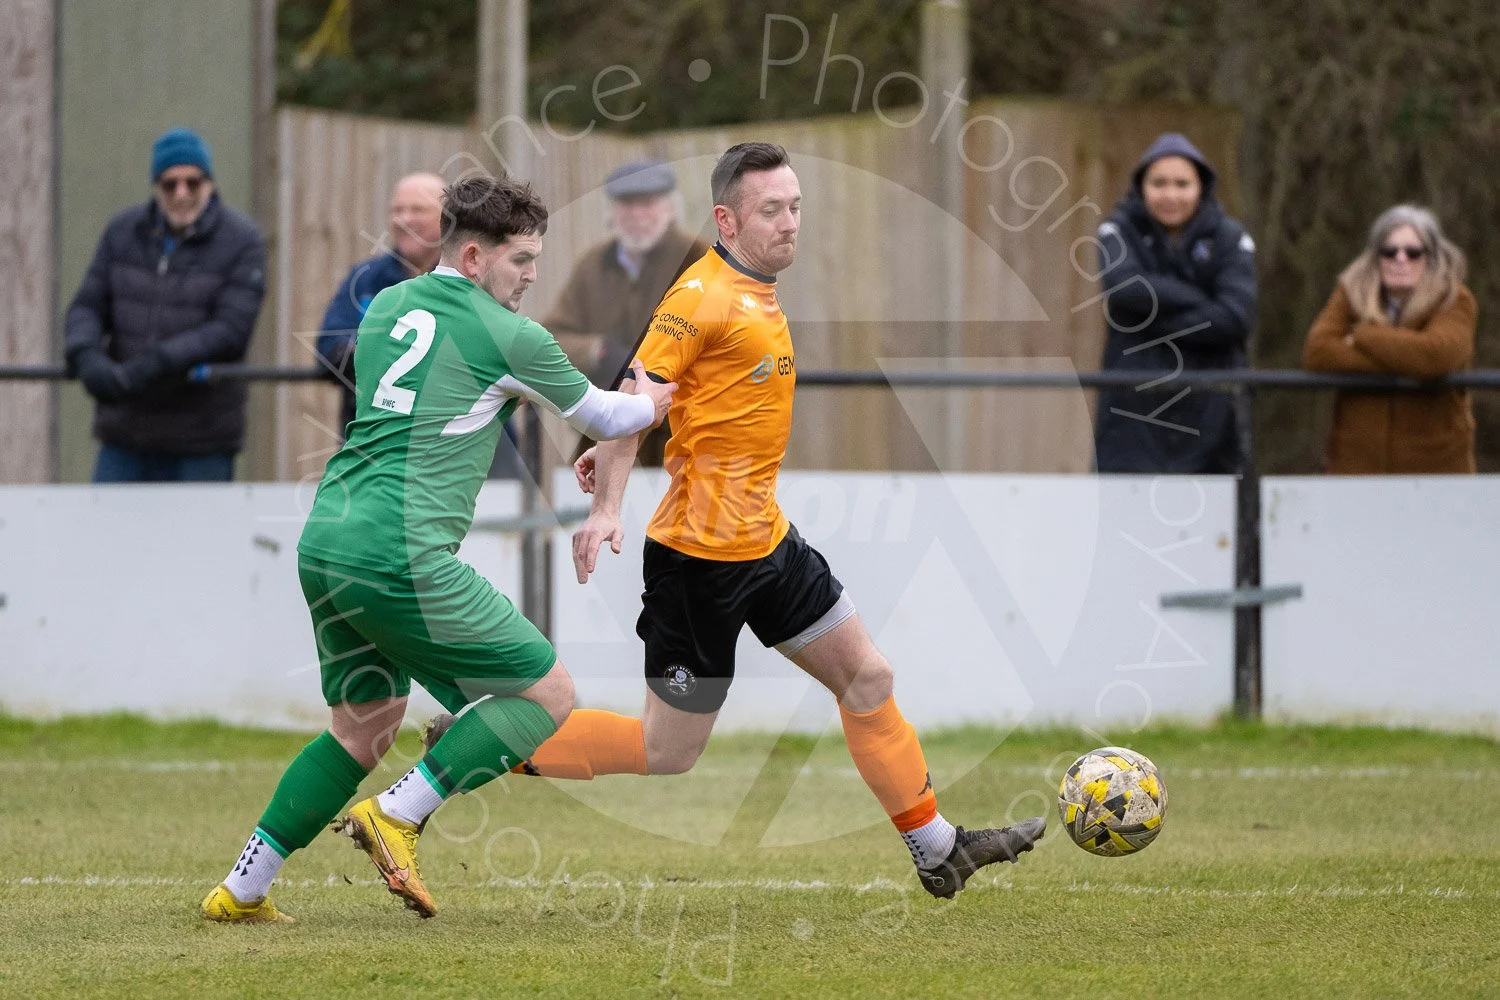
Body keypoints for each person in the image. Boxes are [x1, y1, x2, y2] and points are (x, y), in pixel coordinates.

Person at [429, 143, 1046, 900]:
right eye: (771, 211)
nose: (790, 224)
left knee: (868, 677)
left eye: (796, 207)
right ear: (727, 218)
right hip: (699, 562)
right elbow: (635, 396)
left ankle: (936, 848)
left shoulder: (758, 289)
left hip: (769, 542)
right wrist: (607, 507)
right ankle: (479, 747)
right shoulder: (699, 297)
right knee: (666, 751)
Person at [198, 175, 676, 924]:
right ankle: (398, 812)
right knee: (546, 694)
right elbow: (608, 412)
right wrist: (660, 396)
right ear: (477, 255)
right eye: (521, 260)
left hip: (328, 539)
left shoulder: (388, 304)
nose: (530, 276)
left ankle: (242, 889)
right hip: (402, 553)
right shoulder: (506, 333)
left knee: (363, 724)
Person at [64, 127, 267, 482]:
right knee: (107, 537)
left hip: (201, 440)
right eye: (169, 184)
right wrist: (84, 354)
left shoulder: (242, 240)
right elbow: (87, 306)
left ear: (210, 183)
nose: (181, 193)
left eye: (192, 182)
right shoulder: (122, 232)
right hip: (124, 434)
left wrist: (157, 363)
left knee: (197, 539)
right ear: (156, 186)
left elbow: (230, 330)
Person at [1093, 132, 1257, 474]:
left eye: (1182, 184)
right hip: (1131, 419)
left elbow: (1234, 318)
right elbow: (1125, 289)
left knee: (1215, 527)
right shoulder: (1118, 230)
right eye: (1159, 183)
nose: (1171, 195)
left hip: (1212, 419)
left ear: (1201, 188)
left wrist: (1146, 318)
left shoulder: (1229, 237)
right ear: (1142, 187)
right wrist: (1200, 300)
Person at [543, 159, 710, 465]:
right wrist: (598, 351)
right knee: (588, 502)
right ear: (612, 212)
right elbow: (552, 335)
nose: (636, 215)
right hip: (607, 432)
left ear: (670, 209)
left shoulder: (699, 258)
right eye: (626, 204)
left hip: (684, 437)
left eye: (647, 204)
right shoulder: (593, 264)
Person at [1301, 205, 1477, 473]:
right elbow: (1317, 352)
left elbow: (1437, 355)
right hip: (1355, 470)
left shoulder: (1455, 300)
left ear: (1430, 258)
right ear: (1376, 257)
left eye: (1413, 252)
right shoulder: (1351, 292)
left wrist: (1362, 335)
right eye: (1389, 251)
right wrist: (1406, 358)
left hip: (1437, 472)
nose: (1400, 259)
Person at [315, 172, 447, 436]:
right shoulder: (365, 278)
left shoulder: (469, 282)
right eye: (397, 210)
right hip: (368, 443)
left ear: (448, 218)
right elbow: (328, 347)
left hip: (448, 448)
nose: (404, 219)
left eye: (418, 209)